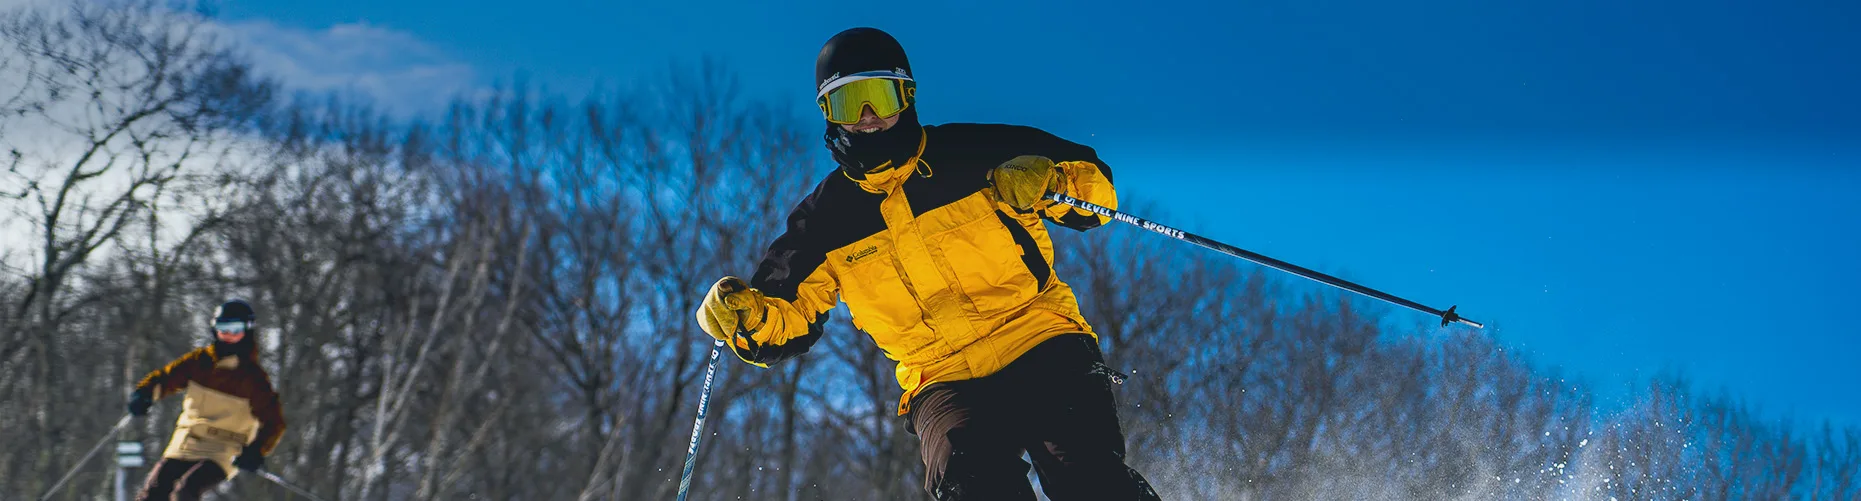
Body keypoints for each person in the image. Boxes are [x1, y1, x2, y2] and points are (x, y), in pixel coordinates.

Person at [695, 27, 1161, 500]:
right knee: (970, 485)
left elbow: (1094, 188)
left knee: (1087, 476)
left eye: (879, 96)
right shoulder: (823, 221)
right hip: (939, 378)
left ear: (907, 96)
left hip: (1040, 339)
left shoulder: (975, 153)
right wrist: (745, 317)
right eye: (849, 102)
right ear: (827, 114)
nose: (868, 118)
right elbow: (785, 314)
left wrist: (1051, 180)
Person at [127, 299, 287, 501]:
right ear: (214, 329)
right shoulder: (200, 362)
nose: (228, 336)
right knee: (155, 492)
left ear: (247, 331)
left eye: (235, 330)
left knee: (186, 490)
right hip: (187, 441)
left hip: (223, 448)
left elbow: (274, 422)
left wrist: (256, 450)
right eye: (223, 329)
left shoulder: (253, 378)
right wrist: (145, 393)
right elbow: (167, 378)